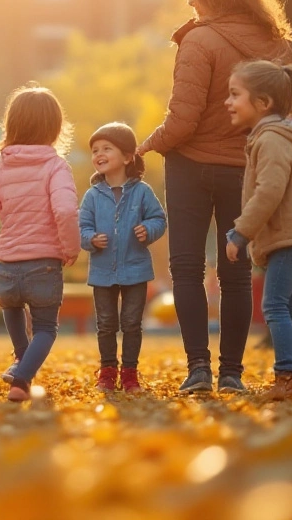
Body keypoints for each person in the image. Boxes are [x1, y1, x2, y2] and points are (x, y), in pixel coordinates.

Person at [136, 0, 292, 395]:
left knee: (186, 268)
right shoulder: (274, 43)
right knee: (237, 273)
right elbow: (282, 114)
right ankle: (232, 374)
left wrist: (146, 146)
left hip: (190, 167)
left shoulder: (199, 41)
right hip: (245, 169)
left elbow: (183, 120)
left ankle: (198, 371)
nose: (189, 1)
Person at [0, 86, 80, 403]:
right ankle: (22, 378)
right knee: (46, 328)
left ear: (11, 125)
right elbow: (66, 210)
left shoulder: (1, 168)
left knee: (11, 308)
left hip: (8, 266)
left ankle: (19, 360)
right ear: (54, 128)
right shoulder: (56, 168)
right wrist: (70, 247)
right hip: (43, 264)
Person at [223, 61, 292, 401]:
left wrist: (241, 232)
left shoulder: (271, 139)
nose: (228, 102)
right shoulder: (282, 137)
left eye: (235, 94)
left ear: (263, 102)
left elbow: (269, 191)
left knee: (274, 306)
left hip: (291, 238)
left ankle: (286, 375)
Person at [78, 123, 166, 393]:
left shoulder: (142, 192)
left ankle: (130, 374)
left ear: (128, 157)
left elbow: (159, 219)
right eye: (95, 150)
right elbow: (81, 227)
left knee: (131, 323)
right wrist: (91, 238)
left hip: (135, 269)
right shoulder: (92, 196)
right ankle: (107, 372)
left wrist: (147, 230)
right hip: (103, 270)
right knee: (105, 324)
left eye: (107, 148)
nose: (99, 154)